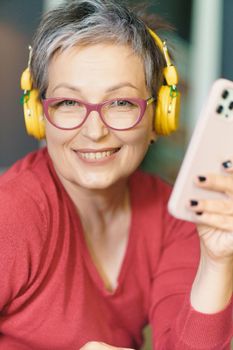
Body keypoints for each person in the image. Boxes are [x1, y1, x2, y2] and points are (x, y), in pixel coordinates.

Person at [0, 0, 232, 349]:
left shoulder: (174, 217)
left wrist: (217, 261)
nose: (94, 131)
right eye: (68, 103)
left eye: (121, 103)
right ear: (39, 116)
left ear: (160, 118)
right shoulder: (12, 211)